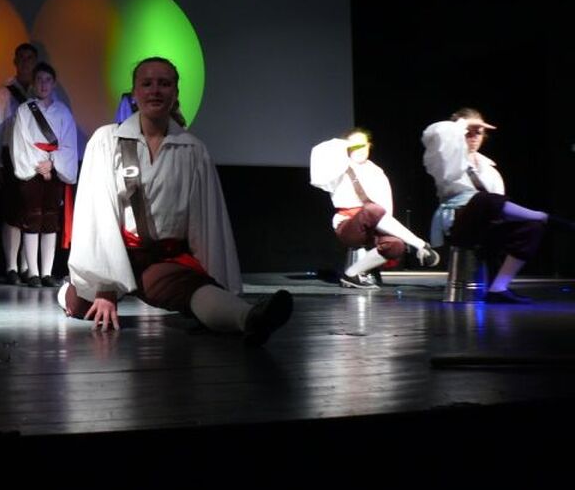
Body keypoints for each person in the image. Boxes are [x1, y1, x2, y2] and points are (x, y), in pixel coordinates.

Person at [59, 56, 292, 344]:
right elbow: (99, 212)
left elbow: (204, 222)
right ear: (134, 92)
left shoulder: (192, 150)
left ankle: (250, 318)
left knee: (193, 288)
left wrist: (217, 281)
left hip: (160, 259)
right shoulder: (107, 141)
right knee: (81, 306)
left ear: (175, 93)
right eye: (147, 84)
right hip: (116, 252)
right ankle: (66, 289)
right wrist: (105, 285)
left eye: (164, 84)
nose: (155, 91)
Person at [422, 108, 555, 303]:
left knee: (532, 226)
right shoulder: (445, 159)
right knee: (483, 199)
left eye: (479, 132)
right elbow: (435, 132)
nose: (474, 136)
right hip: (459, 223)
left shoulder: (490, 168)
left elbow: (499, 204)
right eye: (469, 131)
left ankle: (499, 288)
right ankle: (545, 216)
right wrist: (462, 124)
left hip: (486, 224)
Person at [310, 129, 439, 288]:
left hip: (374, 224)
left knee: (396, 245)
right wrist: (345, 144)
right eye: (355, 146)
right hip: (348, 226)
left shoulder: (377, 172)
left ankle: (351, 274)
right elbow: (320, 151)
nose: (360, 149)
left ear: (369, 146)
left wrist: (388, 232)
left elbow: (385, 211)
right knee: (372, 210)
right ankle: (420, 244)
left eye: (363, 145)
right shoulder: (338, 167)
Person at [12, 63, 77, 287]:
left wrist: (53, 163)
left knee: (50, 219)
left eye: (47, 80)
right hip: (32, 169)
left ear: (54, 83)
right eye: (39, 79)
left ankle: (47, 273)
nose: (43, 84)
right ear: (33, 83)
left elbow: (69, 143)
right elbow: (20, 142)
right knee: (32, 218)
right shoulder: (24, 110)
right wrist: (40, 165)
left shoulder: (63, 112)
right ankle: (33, 272)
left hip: (54, 170)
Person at [0, 43, 37, 284]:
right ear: (15, 62)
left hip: (37, 158)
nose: (25, 62)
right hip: (11, 156)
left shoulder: (42, 91)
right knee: (13, 212)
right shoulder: (3, 93)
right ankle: (12, 266)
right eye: (21, 58)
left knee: (32, 212)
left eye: (30, 58)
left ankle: (28, 266)